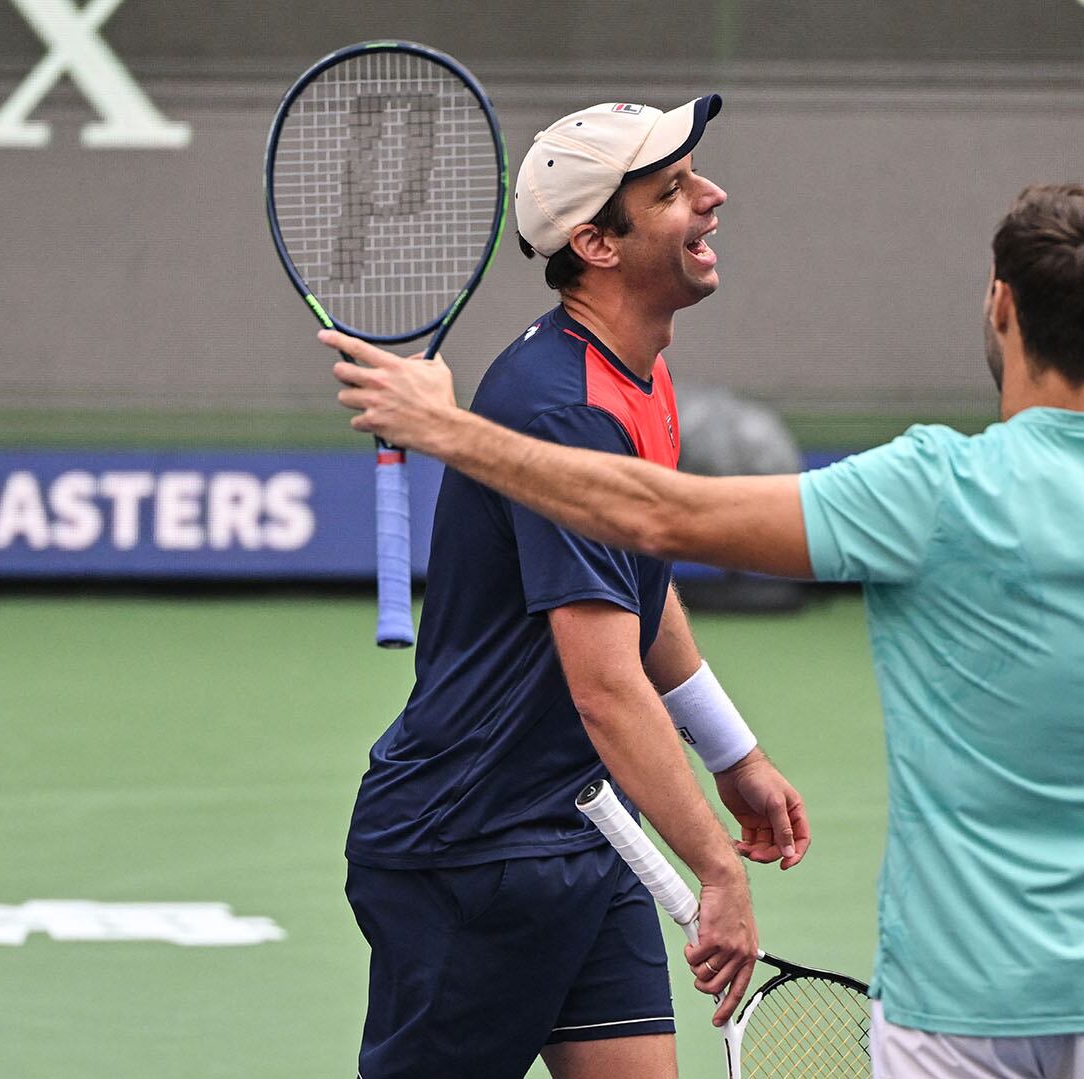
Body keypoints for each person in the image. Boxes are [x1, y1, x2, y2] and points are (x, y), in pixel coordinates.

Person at [328, 184, 1084, 1077]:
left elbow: (655, 514)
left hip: (954, 1007)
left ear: (999, 306)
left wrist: (450, 434)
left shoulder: (921, 494)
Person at [340, 94, 812, 1079]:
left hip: (584, 827)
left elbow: (640, 587)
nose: (713, 198)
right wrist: (716, 865)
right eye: (676, 189)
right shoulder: (565, 408)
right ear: (598, 242)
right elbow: (603, 682)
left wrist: (732, 748)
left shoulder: (636, 370)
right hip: (475, 851)